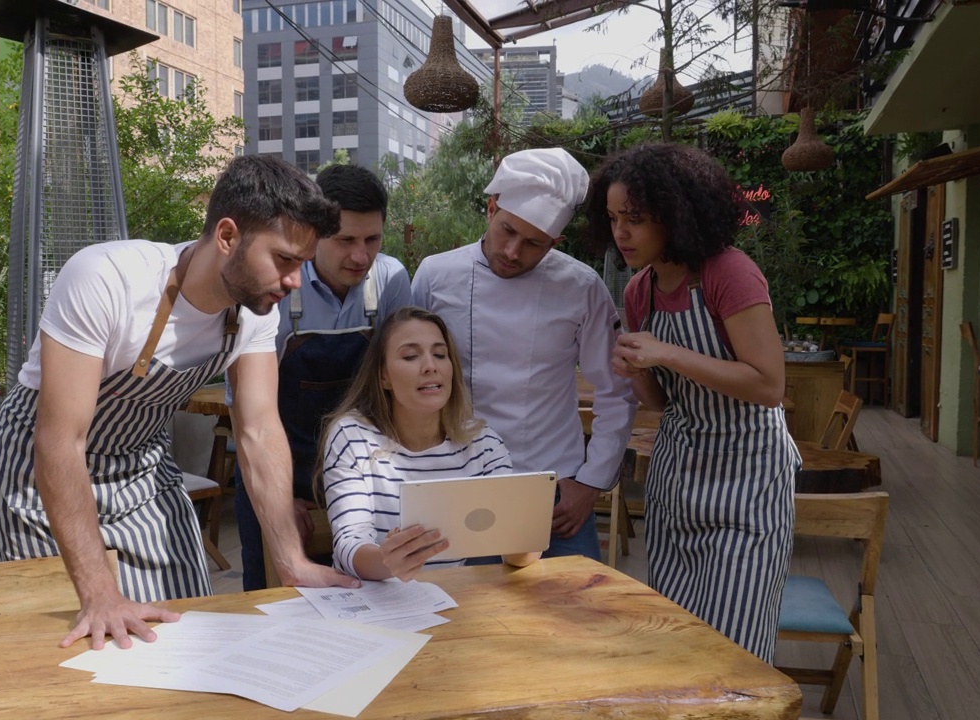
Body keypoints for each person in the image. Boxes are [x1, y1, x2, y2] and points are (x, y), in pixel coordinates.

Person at [0, 155, 359, 652]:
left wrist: (291, 560)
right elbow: (60, 438)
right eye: (285, 260)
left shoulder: (255, 311)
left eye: (302, 265)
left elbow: (259, 431)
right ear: (227, 236)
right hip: (39, 474)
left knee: (192, 631)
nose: (294, 281)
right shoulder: (106, 279)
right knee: (80, 646)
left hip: (141, 466)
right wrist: (100, 594)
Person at [583, 142, 797, 662]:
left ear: (676, 212)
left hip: (749, 477)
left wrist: (667, 353)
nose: (621, 233)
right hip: (678, 476)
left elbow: (769, 385)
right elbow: (659, 401)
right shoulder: (641, 292)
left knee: (734, 650)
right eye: (613, 219)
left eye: (634, 218)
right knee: (677, 638)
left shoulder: (729, 272)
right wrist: (635, 370)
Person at [412, 148, 637, 562]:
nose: (514, 252)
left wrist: (590, 483)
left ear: (556, 241)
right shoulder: (435, 275)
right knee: (462, 617)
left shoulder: (582, 287)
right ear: (491, 208)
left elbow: (615, 391)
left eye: (535, 243)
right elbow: (408, 381)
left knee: (571, 614)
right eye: (507, 231)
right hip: (456, 478)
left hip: (551, 490)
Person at [233, 164, 412, 591]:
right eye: (345, 240)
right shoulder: (275, 286)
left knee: (373, 597)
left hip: (362, 473)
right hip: (277, 464)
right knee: (271, 601)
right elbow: (246, 413)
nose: (360, 256)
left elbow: (401, 394)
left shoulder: (390, 280)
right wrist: (277, 500)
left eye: (372, 240)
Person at [321, 307, 534, 580]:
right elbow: (349, 544)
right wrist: (389, 562)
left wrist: (525, 538)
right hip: (367, 604)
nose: (430, 366)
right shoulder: (350, 435)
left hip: (447, 603)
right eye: (410, 356)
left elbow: (518, 550)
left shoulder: (481, 441)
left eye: (440, 354)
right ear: (383, 376)